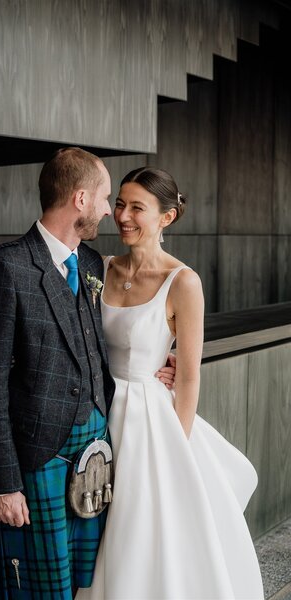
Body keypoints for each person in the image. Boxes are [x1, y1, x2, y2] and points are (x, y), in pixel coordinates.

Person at [0, 148, 175, 599]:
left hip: (96, 454)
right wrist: (1, 484)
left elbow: (107, 343)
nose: (109, 211)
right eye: (105, 198)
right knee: (42, 591)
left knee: (89, 584)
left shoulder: (93, 264)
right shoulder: (6, 268)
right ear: (80, 199)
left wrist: (164, 359)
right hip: (39, 461)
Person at [76, 167, 264, 600]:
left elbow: (191, 375)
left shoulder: (184, 282)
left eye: (137, 207)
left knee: (140, 525)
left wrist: (175, 450)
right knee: (99, 523)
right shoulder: (98, 267)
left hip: (150, 424)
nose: (122, 215)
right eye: (119, 204)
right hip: (97, 413)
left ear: (167, 217)